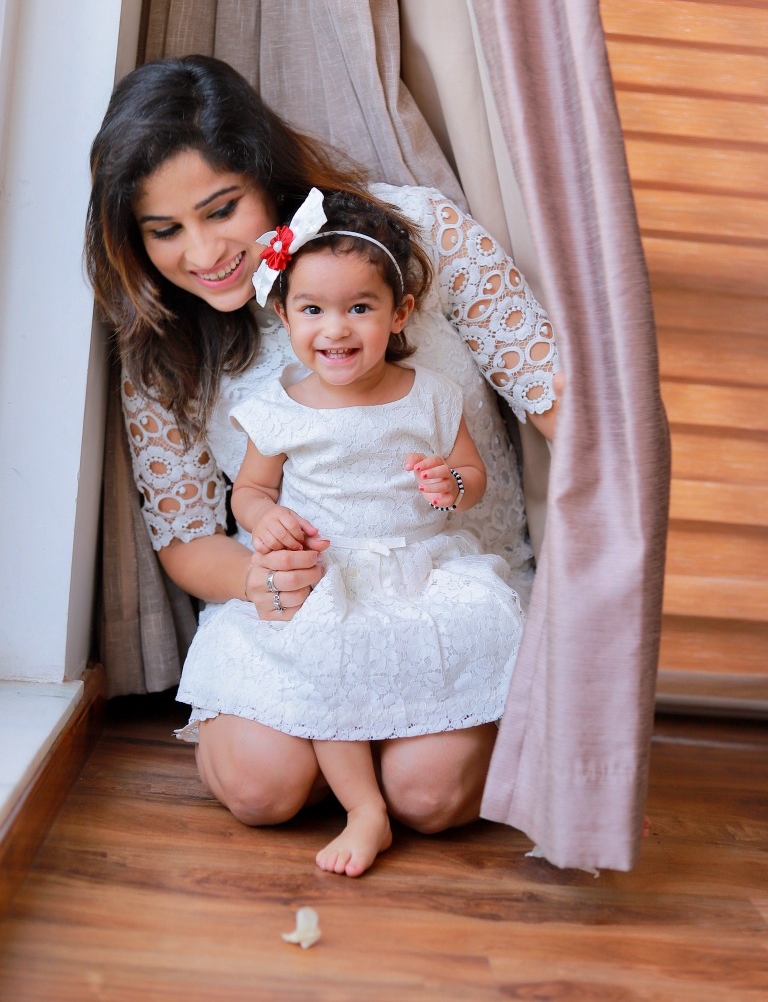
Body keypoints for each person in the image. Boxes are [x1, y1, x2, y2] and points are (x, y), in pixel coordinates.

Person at [85, 53, 559, 845]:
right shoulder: (167, 343)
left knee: (430, 795)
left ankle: (390, 763)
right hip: (305, 600)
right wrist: (259, 577)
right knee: (261, 787)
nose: (202, 253)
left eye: (221, 210)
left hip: (441, 583)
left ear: (265, 177)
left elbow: (559, 401)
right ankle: (340, 761)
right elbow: (188, 539)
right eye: (165, 231)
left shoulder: (413, 233)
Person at [176, 188, 527, 876]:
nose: (335, 329)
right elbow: (250, 491)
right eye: (313, 310)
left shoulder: (430, 394)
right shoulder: (280, 407)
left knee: (420, 676)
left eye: (359, 308)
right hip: (327, 575)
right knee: (326, 664)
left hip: (416, 577)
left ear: (399, 313)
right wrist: (265, 518)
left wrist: (451, 485)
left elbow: (470, 472)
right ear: (283, 314)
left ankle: (453, 769)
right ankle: (365, 810)